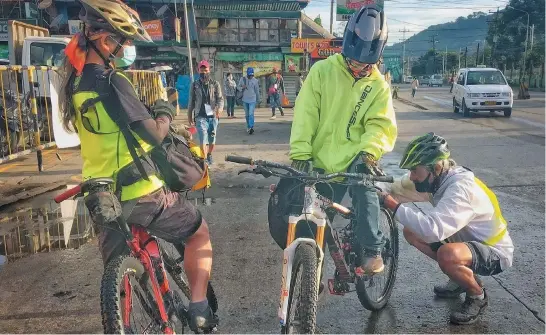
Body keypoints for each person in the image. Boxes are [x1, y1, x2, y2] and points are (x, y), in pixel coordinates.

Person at [58, 0, 217, 331]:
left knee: (121, 266)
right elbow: (154, 135)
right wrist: (164, 111)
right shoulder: (113, 81)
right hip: (142, 192)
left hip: (101, 197)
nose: (127, 48)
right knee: (198, 234)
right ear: (106, 42)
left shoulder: (73, 84)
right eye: (124, 40)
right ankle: (200, 308)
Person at [274, 4, 397, 275]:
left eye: (366, 64)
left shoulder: (378, 86)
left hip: (355, 158)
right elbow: (306, 115)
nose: (359, 68)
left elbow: (380, 125)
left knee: (365, 190)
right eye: (354, 61)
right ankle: (310, 274)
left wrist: (369, 152)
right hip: (317, 159)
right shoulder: (322, 72)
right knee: (306, 220)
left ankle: (372, 249)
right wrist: (301, 153)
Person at [377, 133, 514, 325]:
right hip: (467, 243)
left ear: (436, 167)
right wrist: (375, 187)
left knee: (446, 255)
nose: (412, 176)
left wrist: (393, 206)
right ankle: (460, 279)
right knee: (411, 231)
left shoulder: (460, 189)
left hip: (495, 253)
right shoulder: (436, 179)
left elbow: (432, 230)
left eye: (415, 170)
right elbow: (396, 188)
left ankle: (477, 295)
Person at [188, 60, 224, 165]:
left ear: (209, 70)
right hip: (200, 116)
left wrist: (219, 109)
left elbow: (220, 99)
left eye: (206, 70)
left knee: (212, 140)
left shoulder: (215, 84)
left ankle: (209, 154)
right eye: (202, 70)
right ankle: (204, 160)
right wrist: (190, 116)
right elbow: (191, 102)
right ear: (198, 70)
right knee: (203, 138)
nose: (204, 72)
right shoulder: (194, 85)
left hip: (212, 115)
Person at [238, 67, 260, 134]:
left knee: (251, 114)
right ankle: (248, 126)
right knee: (247, 114)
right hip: (245, 100)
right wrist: (242, 87)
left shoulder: (255, 81)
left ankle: (251, 127)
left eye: (252, 75)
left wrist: (258, 100)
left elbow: (257, 91)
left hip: (252, 100)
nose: (251, 76)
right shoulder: (242, 79)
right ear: (247, 74)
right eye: (249, 75)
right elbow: (238, 87)